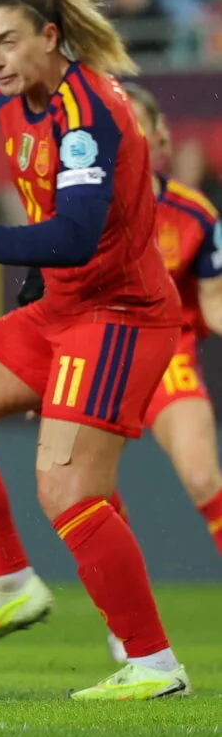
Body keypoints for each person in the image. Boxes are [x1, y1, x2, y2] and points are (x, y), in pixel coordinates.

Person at [0, 0, 188, 700]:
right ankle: (9, 584)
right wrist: (31, 278)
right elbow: (52, 227)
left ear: (51, 36)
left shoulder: (86, 109)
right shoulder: (16, 107)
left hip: (119, 315)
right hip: (62, 309)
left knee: (65, 491)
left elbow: (73, 235)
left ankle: (155, 664)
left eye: (8, 41)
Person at [102, 84, 222, 659]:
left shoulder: (196, 214)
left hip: (171, 353)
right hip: (104, 355)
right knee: (85, 492)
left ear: (156, 135)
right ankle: (127, 626)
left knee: (203, 478)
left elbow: (216, 303)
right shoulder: (88, 208)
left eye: (135, 121)